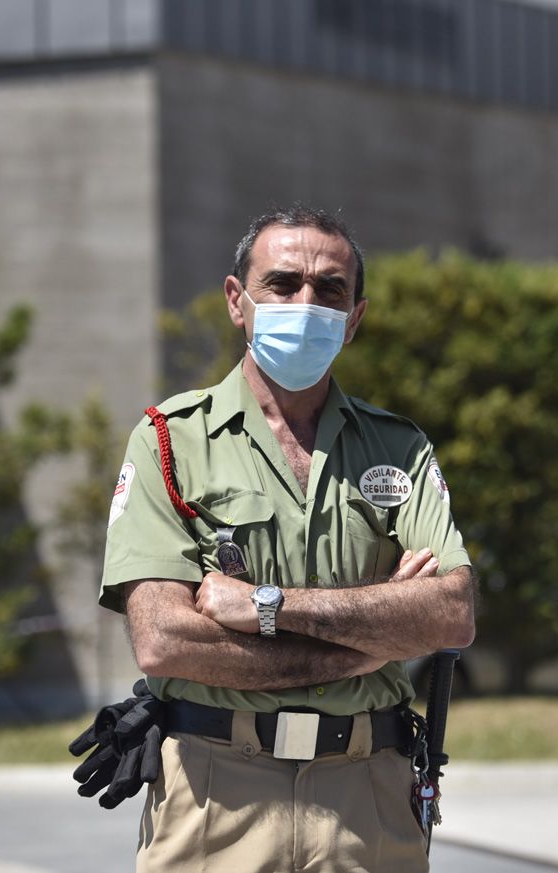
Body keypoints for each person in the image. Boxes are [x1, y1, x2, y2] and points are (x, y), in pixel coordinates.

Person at [98, 205, 478, 872]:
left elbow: (450, 612)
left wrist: (268, 606)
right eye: (282, 283)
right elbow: (164, 640)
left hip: (368, 796)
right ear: (237, 301)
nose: (307, 303)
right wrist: (369, 640)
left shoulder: (399, 447)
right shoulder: (168, 441)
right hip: (217, 793)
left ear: (355, 318)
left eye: (331, 289)